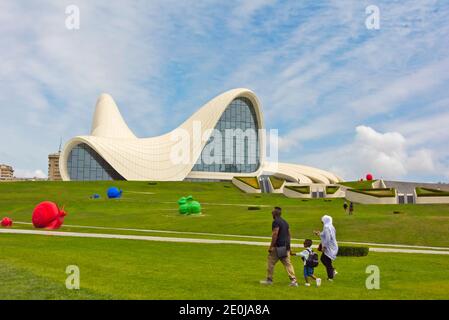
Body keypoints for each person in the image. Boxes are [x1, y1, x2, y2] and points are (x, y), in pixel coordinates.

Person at [260, 207, 298, 287]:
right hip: (285, 246)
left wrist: (271, 246)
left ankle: (269, 280)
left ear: (274, 214)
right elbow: (289, 235)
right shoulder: (285, 222)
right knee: (287, 263)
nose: (271, 213)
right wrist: (289, 247)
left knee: (270, 262)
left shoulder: (276, 222)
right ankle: (294, 280)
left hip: (279, 247)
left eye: (272, 212)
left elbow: (275, 234)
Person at [314, 215, 338, 281]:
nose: (322, 222)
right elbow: (325, 234)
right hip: (332, 246)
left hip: (329, 247)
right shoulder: (330, 226)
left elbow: (327, 238)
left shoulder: (327, 227)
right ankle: (332, 272)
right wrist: (319, 233)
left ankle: (331, 276)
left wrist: (324, 247)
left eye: (322, 221)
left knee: (325, 260)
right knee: (326, 260)